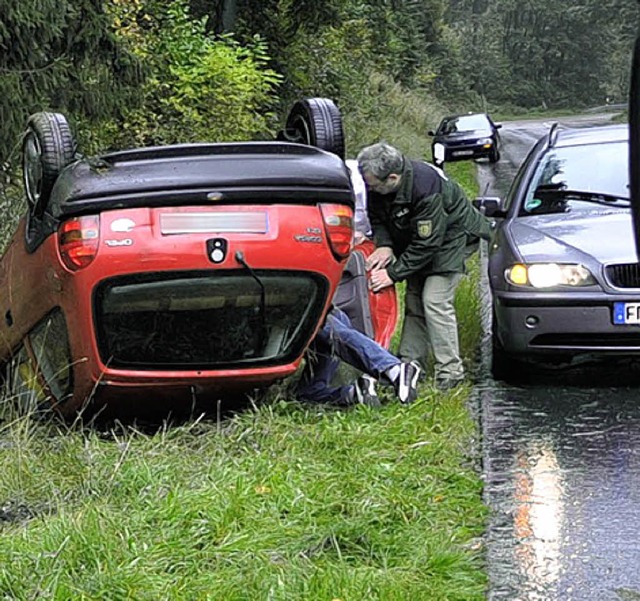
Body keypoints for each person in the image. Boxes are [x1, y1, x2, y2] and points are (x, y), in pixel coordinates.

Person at [356, 141, 494, 391]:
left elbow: (428, 244)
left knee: (434, 300)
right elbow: (377, 218)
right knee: (415, 300)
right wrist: (384, 244)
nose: (370, 189)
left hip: (453, 238)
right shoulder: (375, 183)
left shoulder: (426, 187)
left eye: (374, 184)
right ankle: (407, 366)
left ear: (393, 178)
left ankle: (450, 372)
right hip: (421, 240)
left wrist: (392, 274)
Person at [297, 305, 421, 407]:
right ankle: (356, 393)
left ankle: (394, 369)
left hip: (319, 316)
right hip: (328, 314)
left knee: (324, 329)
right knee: (307, 394)